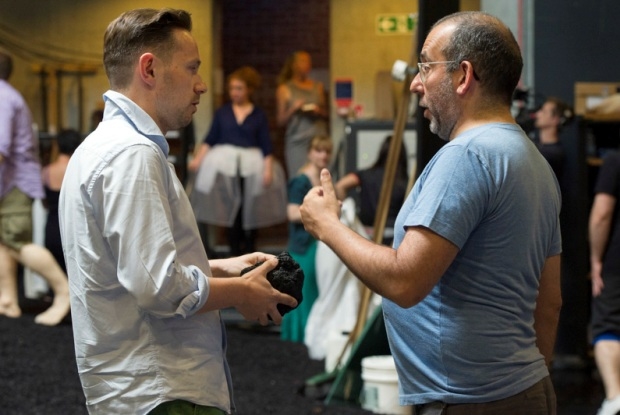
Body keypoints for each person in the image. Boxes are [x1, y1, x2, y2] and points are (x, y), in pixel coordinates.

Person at [300, 11, 562, 414]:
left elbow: (405, 281)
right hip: (521, 389)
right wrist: (522, 387)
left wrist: (328, 225)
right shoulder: (532, 160)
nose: (415, 83)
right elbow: (550, 302)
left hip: (473, 401)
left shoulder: (467, 156)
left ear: (463, 76)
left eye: (426, 66)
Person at [58, 8, 296, 414]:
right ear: (149, 70)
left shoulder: (100, 147)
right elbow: (158, 285)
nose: (201, 85)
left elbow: (132, 267)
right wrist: (242, 292)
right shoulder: (131, 155)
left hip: (143, 387)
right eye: (192, 69)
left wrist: (220, 267)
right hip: (161, 391)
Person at [0, 49, 70, 327]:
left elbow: (0, 149)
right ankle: (7, 299)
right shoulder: (6, 94)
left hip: (16, 182)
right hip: (12, 182)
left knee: (16, 239)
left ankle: (64, 292)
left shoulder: (2, 96)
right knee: (5, 240)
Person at [189, 66, 287, 256]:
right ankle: (234, 252)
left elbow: (266, 145)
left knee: (250, 210)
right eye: (232, 88)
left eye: (239, 88)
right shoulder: (223, 112)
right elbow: (210, 138)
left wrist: (267, 170)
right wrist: (198, 160)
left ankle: (250, 251)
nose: (235, 92)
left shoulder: (258, 115)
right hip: (226, 168)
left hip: (251, 167)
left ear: (249, 89)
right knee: (230, 210)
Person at [281, 134, 332, 343]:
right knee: (303, 292)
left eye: (327, 151)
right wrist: (318, 214)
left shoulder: (323, 178)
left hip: (316, 243)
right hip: (303, 246)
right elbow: (292, 213)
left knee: (313, 290)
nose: (324, 155)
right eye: (319, 150)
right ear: (310, 153)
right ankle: (299, 336)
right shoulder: (301, 181)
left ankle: (310, 337)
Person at [588, 150, 620, 415]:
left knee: (608, 325)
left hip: (617, 261)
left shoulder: (615, 160)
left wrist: (596, 260)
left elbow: (602, 214)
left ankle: (615, 397)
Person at [335, 135, 408, 244]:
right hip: (392, 236)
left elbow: (340, 185)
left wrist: (346, 213)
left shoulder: (366, 174)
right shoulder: (405, 182)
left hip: (365, 234)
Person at [275, 50, 328, 177]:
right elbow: (280, 120)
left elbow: (326, 114)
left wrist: (318, 111)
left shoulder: (318, 86)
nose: (307, 65)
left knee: (320, 177)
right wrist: (293, 108)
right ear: (293, 65)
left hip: (317, 138)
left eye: (309, 62)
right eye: (303, 61)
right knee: (299, 177)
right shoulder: (284, 89)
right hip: (297, 141)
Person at [41, 128, 82, 272]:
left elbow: (44, 202)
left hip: (52, 228)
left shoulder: (46, 171)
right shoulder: (80, 169)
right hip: (75, 229)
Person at [534, 96, 573, 183]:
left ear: (555, 119)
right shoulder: (535, 144)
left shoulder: (554, 154)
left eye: (544, 112)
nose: (538, 114)